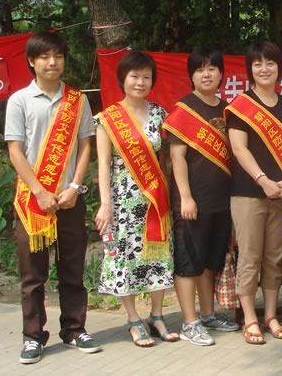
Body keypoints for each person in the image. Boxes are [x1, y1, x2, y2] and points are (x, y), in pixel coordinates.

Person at [5, 32, 101, 364]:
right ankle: (33, 337)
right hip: (33, 201)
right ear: (32, 61)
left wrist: (75, 187)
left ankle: (75, 329)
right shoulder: (19, 100)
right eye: (45, 56)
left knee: (72, 268)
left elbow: (86, 146)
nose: (52, 62)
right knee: (33, 275)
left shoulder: (78, 100)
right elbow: (15, 151)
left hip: (69, 200)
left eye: (58, 56)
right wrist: (39, 191)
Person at [95, 51, 177, 347]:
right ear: (123, 79)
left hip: (154, 200)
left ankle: (157, 316)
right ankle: (132, 318)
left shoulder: (159, 114)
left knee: (158, 255)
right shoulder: (107, 119)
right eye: (134, 76)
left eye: (146, 77)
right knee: (125, 257)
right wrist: (105, 204)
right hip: (121, 202)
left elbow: (164, 159)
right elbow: (103, 164)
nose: (140, 82)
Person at [225, 41, 282, 345]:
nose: (264, 69)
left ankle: (270, 316)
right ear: (250, 69)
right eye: (258, 64)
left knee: (274, 257)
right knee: (250, 256)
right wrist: (263, 180)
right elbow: (239, 148)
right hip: (248, 192)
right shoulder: (241, 105)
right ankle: (250, 318)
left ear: (279, 67)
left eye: (270, 63)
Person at [164, 47, 238, 346]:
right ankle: (190, 321)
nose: (206, 74)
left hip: (222, 200)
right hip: (193, 201)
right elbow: (177, 158)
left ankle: (208, 314)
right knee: (188, 262)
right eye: (200, 69)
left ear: (221, 73)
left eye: (212, 68)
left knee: (210, 261)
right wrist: (186, 197)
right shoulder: (184, 111)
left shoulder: (228, 109)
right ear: (191, 75)